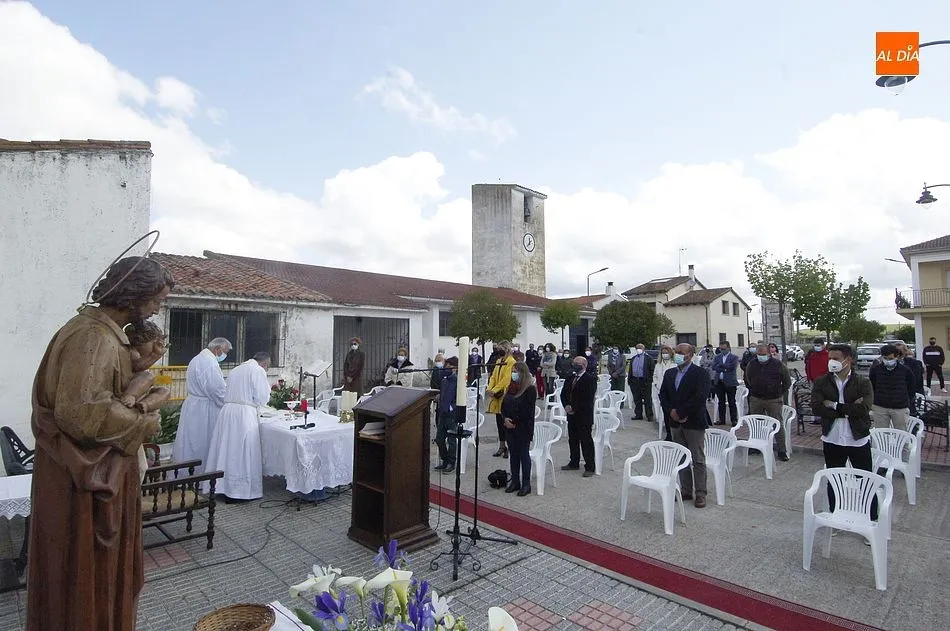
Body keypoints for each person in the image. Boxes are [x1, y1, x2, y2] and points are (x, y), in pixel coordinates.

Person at [29, 255, 174, 631]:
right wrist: (145, 419)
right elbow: (82, 413)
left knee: (104, 578)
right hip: (83, 483)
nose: (157, 308)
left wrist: (138, 377)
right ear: (134, 296)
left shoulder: (107, 335)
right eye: (156, 300)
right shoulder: (91, 337)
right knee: (85, 577)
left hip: (98, 473)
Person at [810, 344, 878, 522]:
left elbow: (863, 409)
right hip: (832, 438)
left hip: (857, 439)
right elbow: (816, 407)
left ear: (849, 360)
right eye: (830, 358)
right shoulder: (822, 381)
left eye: (836, 358)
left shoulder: (863, 382)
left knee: (865, 482)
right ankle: (835, 515)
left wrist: (833, 405)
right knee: (834, 480)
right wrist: (848, 409)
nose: (832, 362)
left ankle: (871, 519)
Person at [204, 352, 272, 502]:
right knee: (241, 451)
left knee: (225, 449)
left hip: (228, 412)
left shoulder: (236, 369)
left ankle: (221, 487)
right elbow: (262, 397)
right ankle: (238, 491)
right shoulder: (258, 370)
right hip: (244, 414)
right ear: (265, 364)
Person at [658, 343, 711, 508]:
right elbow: (663, 395)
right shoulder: (670, 373)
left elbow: (700, 397)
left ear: (690, 355)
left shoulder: (700, 373)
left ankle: (700, 493)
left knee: (697, 459)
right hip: (674, 422)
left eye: (681, 352)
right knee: (681, 457)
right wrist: (671, 412)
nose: (678, 355)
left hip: (693, 421)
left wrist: (682, 412)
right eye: (677, 352)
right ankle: (686, 489)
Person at [173, 337, 230, 474]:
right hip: (204, 408)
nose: (225, 356)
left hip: (194, 404)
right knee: (203, 443)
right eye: (225, 352)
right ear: (218, 349)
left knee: (190, 443)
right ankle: (200, 475)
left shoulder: (198, 359)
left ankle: (186, 473)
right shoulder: (209, 363)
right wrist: (227, 402)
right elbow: (216, 389)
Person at [123, 320, 172, 479]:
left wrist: (155, 354)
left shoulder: (137, 352)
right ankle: (134, 398)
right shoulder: (131, 352)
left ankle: (144, 405)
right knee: (148, 376)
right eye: (153, 343)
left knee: (164, 391)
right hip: (130, 394)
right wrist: (155, 355)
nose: (155, 346)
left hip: (140, 398)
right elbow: (138, 367)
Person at [743, 342, 791, 462]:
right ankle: (756, 447)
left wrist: (779, 393)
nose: (760, 356)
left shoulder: (778, 364)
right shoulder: (752, 364)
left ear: (769, 354)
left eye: (763, 354)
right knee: (756, 424)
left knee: (777, 424)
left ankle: (782, 450)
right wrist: (753, 389)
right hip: (756, 398)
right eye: (758, 354)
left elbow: (787, 381)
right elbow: (747, 379)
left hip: (774, 400)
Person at [502, 361, 538, 496]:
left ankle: (526, 483)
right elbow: (504, 405)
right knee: (513, 455)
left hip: (523, 427)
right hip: (509, 426)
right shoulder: (511, 387)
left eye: (515, 371)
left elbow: (527, 411)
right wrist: (505, 418)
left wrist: (514, 422)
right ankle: (515, 481)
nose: (513, 374)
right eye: (512, 371)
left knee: (523, 455)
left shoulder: (530, 389)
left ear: (522, 372)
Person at [560, 355, 597, 477]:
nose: (575, 365)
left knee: (586, 441)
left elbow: (587, 399)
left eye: (578, 364)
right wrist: (566, 406)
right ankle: (574, 462)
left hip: (583, 415)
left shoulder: (590, 379)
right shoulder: (570, 378)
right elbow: (563, 394)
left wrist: (574, 408)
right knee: (573, 439)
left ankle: (590, 467)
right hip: (571, 415)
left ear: (584, 365)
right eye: (574, 363)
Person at [868, 344, 916, 428]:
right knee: (881, 433)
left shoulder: (905, 370)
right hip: (880, 406)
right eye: (885, 358)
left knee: (901, 433)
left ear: (896, 356)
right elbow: (872, 385)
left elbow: (911, 387)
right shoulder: (876, 370)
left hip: (900, 407)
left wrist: (907, 400)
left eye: (890, 358)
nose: (888, 361)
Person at [487, 341, 516, 458]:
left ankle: (509, 446)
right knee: (499, 422)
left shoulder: (511, 362)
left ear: (507, 349)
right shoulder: (499, 361)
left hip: (505, 394)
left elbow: (506, 378)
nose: (500, 350)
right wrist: (490, 388)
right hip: (496, 395)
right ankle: (501, 446)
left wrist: (496, 389)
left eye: (502, 348)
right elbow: (494, 376)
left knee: (506, 421)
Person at [434, 357, 459, 473]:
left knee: (451, 439)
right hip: (442, 412)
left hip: (452, 413)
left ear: (454, 367)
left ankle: (451, 462)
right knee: (439, 439)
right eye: (446, 365)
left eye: (449, 366)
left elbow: (459, 398)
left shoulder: (457, 381)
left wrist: (451, 407)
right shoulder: (444, 380)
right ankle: (444, 459)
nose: (446, 368)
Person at [710, 340, 740, 426]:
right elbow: (714, 367)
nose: (722, 351)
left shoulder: (734, 357)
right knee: (721, 402)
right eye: (721, 349)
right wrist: (724, 368)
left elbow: (732, 367)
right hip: (719, 382)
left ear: (729, 348)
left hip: (730, 382)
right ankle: (721, 419)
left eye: (724, 349)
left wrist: (721, 365)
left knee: (731, 402)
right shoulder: (717, 357)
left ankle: (734, 420)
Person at [627, 344, 656, 421]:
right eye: (637, 348)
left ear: (643, 348)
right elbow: (630, 370)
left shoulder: (648, 358)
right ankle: (638, 414)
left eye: (640, 348)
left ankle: (649, 415)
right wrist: (630, 381)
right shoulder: (633, 358)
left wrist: (649, 380)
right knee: (637, 399)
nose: (638, 349)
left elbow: (651, 370)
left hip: (645, 381)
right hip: (634, 381)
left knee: (647, 399)